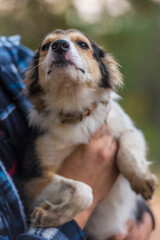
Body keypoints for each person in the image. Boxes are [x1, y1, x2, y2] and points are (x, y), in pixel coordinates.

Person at [0, 35, 154, 240]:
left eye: (82, 45)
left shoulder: (10, 53)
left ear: (103, 68)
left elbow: (132, 137)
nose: (60, 46)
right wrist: (79, 197)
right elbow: (30, 186)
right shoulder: (40, 132)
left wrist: (146, 216)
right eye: (47, 46)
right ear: (35, 78)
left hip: (130, 224)